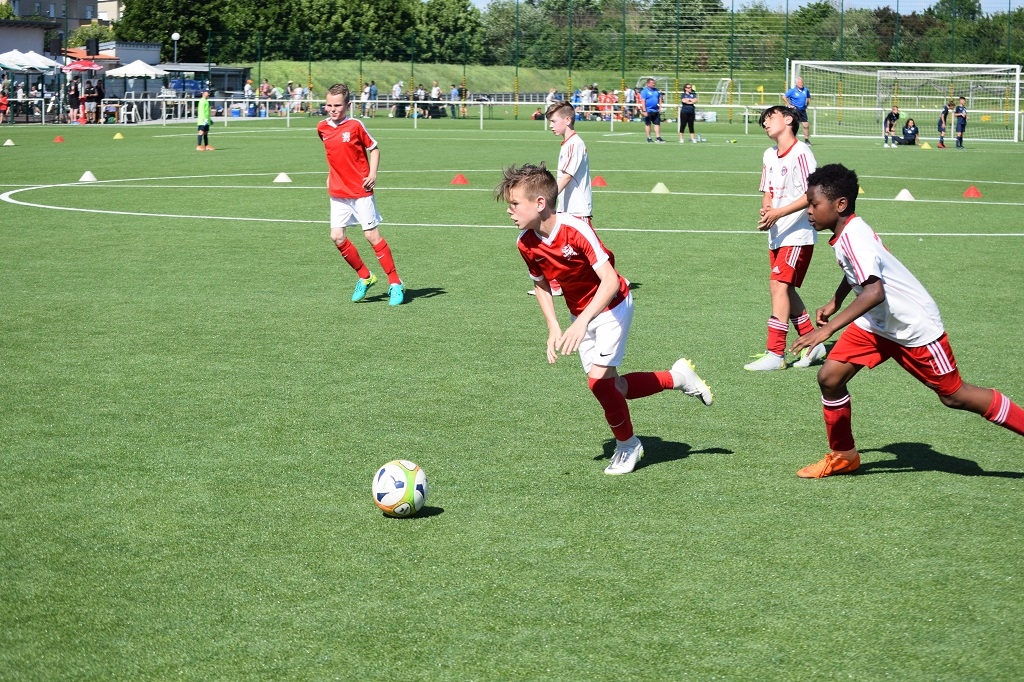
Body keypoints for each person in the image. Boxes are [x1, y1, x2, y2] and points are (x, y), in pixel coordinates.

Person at [790, 163, 1024, 478]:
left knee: (955, 395)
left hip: (913, 327)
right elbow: (859, 272)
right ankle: (844, 456)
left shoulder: (854, 238)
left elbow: (874, 292)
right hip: (877, 323)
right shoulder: (849, 231)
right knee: (830, 378)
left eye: (814, 204)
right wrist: (836, 300)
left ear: (840, 204)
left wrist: (828, 330)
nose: (809, 210)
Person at [495, 163, 712, 475]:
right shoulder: (525, 243)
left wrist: (581, 322)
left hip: (612, 306)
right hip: (580, 314)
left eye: (515, 203)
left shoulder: (575, 230)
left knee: (598, 382)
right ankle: (678, 377)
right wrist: (554, 326)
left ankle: (628, 445)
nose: (509, 210)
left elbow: (609, 281)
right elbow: (541, 284)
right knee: (613, 387)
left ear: (539, 203)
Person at [746, 105, 826, 371]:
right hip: (778, 233)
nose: (765, 123)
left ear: (789, 119)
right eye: (763, 121)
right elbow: (767, 191)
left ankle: (776, 353)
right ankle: (813, 343)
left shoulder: (802, 152)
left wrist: (779, 213)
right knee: (786, 289)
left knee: (778, 285)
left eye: (770, 117)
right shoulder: (769, 154)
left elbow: (812, 194)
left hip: (798, 233)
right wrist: (768, 209)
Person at [317, 83, 404, 306]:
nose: (333, 109)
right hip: (338, 192)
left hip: (360, 190)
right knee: (336, 236)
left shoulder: (355, 125)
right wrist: (330, 175)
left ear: (348, 105)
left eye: (338, 105)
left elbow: (374, 148)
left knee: (371, 236)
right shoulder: (322, 128)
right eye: (329, 105)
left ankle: (395, 283)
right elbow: (333, 155)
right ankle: (365, 277)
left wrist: (372, 174)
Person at [524, 100, 593, 298]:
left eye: (554, 121)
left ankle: (613, 281)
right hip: (568, 207)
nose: (551, 126)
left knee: (590, 250)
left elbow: (567, 176)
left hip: (578, 208)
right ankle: (555, 284)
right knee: (557, 244)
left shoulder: (574, 144)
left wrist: (549, 196)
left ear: (567, 120)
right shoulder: (568, 144)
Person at [783, 76, 811, 144]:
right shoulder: (792, 91)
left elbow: (809, 97)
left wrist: (806, 105)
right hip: (795, 110)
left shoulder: (805, 90)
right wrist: (789, 104)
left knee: (806, 125)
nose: (802, 84)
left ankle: (806, 140)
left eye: (802, 82)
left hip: (802, 110)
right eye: (800, 82)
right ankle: (791, 139)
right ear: (796, 83)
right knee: (794, 125)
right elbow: (784, 96)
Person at [639, 78, 665, 143]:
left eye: (654, 83)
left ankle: (658, 138)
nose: (654, 84)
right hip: (648, 110)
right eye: (652, 83)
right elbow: (643, 101)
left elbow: (660, 98)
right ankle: (649, 138)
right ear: (648, 84)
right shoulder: (644, 91)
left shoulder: (656, 90)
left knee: (657, 124)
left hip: (655, 110)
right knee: (648, 124)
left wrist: (660, 107)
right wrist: (644, 111)